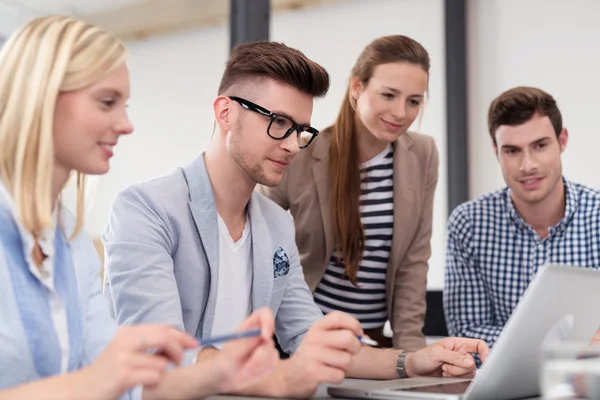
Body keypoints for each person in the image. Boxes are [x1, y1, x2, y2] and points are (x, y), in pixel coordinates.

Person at [103, 40, 489, 399]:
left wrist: (409, 361)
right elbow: (158, 357)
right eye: (279, 123)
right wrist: (279, 377)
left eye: (300, 130)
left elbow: (308, 336)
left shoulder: (274, 223)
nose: (292, 144)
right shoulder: (146, 209)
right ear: (225, 113)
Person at [0, 15, 279, 399]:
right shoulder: (143, 208)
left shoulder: (69, 237)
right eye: (107, 102)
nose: (127, 124)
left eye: (125, 104)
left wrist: (226, 370)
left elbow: (123, 386)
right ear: (41, 96)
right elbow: (97, 382)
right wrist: (94, 382)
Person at [259, 34, 437, 351]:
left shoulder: (422, 154)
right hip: (304, 337)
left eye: (413, 101)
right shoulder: (301, 152)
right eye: (388, 95)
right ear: (357, 88)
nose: (400, 112)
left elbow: (414, 259)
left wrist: (410, 353)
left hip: (374, 338)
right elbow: (259, 243)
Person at [444, 86, 600, 348]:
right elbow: (467, 334)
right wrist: (569, 343)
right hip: (504, 386)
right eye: (512, 151)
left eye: (540, 146)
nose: (528, 165)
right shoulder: (469, 225)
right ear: (496, 152)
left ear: (562, 141)